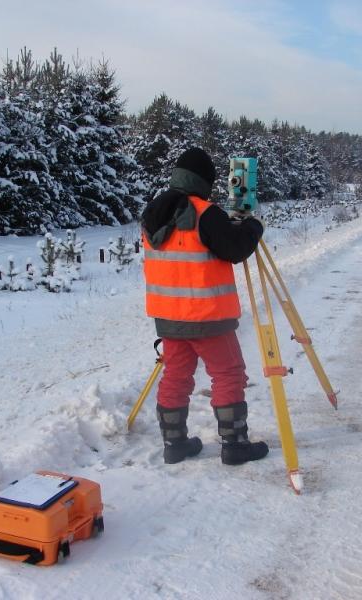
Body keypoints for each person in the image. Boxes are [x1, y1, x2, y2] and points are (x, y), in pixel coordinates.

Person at [141, 147, 269, 466]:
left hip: (169, 319)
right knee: (228, 374)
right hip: (208, 317)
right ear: (204, 181)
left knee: (176, 376)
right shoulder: (206, 213)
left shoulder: (154, 212)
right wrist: (252, 227)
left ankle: (175, 444)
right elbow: (235, 249)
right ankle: (235, 444)